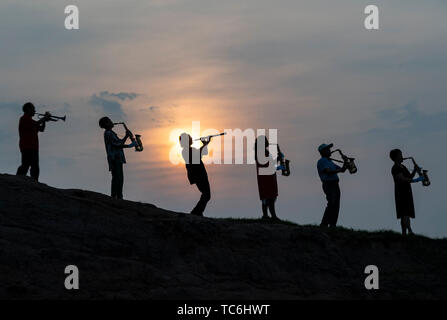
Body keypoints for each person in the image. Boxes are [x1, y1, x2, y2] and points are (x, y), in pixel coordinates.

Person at [98, 117, 136, 199]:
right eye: (110, 121)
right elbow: (117, 145)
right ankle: (114, 197)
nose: (112, 122)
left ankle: (119, 196)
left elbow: (119, 142)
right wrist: (130, 145)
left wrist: (126, 136)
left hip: (117, 157)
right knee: (116, 177)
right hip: (114, 158)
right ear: (106, 124)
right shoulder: (108, 133)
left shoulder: (111, 132)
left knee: (120, 178)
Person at [389, 149, 424, 235]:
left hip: (407, 191)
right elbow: (402, 179)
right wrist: (416, 180)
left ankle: (404, 234)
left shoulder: (403, 167)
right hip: (401, 192)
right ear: (396, 157)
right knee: (405, 213)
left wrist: (415, 170)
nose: (402, 156)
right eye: (400, 155)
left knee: (405, 214)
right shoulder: (395, 168)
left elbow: (410, 176)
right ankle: (410, 231)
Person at [16, 102, 51, 181]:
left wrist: (45, 121)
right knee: (25, 165)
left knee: (35, 167)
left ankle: (34, 182)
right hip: (26, 146)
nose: (35, 111)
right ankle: (18, 179)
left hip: (34, 147)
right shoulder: (24, 119)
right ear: (28, 109)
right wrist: (44, 118)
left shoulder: (32, 121)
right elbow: (36, 123)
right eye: (33, 109)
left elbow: (41, 129)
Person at [179, 133, 211, 216]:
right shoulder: (187, 150)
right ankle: (196, 212)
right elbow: (197, 156)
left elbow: (203, 153)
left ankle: (197, 212)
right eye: (190, 138)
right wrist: (204, 144)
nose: (191, 139)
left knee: (206, 194)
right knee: (206, 194)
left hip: (199, 174)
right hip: (198, 174)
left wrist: (205, 145)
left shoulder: (189, 150)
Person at [317, 143, 348, 227]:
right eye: (327, 149)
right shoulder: (322, 161)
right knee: (331, 204)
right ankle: (324, 224)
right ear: (323, 152)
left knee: (336, 205)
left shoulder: (329, 161)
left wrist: (346, 161)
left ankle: (332, 224)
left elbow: (343, 170)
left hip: (334, 184)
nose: (330, 151)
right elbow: (328, 171)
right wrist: (340, 170)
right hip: (329, 184)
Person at [255, 135, 282, 221]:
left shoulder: (263, 152)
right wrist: (278, 158)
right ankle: (270, 216)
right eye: (266, 140)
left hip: (268, 177)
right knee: (268, 197)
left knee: (268, 197)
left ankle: (268, 215)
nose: (268, 142)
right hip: (266, 178)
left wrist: (277, 159)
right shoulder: (261, 153)